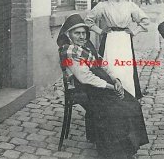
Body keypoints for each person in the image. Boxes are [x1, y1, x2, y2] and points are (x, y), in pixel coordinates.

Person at [57, 14, 149, 159]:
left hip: (99, 84)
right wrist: (110, 87)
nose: (81, 37)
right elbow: (85, 78)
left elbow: (102, 65)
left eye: (84, 33)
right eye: (77, 33)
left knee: (132, 103)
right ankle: (114, 152)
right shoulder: (70, 52)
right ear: (68, 35)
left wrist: (115, 79)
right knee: (117, 110)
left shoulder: (86, 47)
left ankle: (126, 147)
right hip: (84, 89)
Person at [85, 0, 150, 99]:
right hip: (110, 39)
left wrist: (134, 31)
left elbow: (145, 20)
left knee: (125, 68)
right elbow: (88, 21)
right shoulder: (103, 6)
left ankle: (128, 96)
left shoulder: (130, 6)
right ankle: (110, 96)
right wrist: (100, 31)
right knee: (109, 67)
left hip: (124, 39)